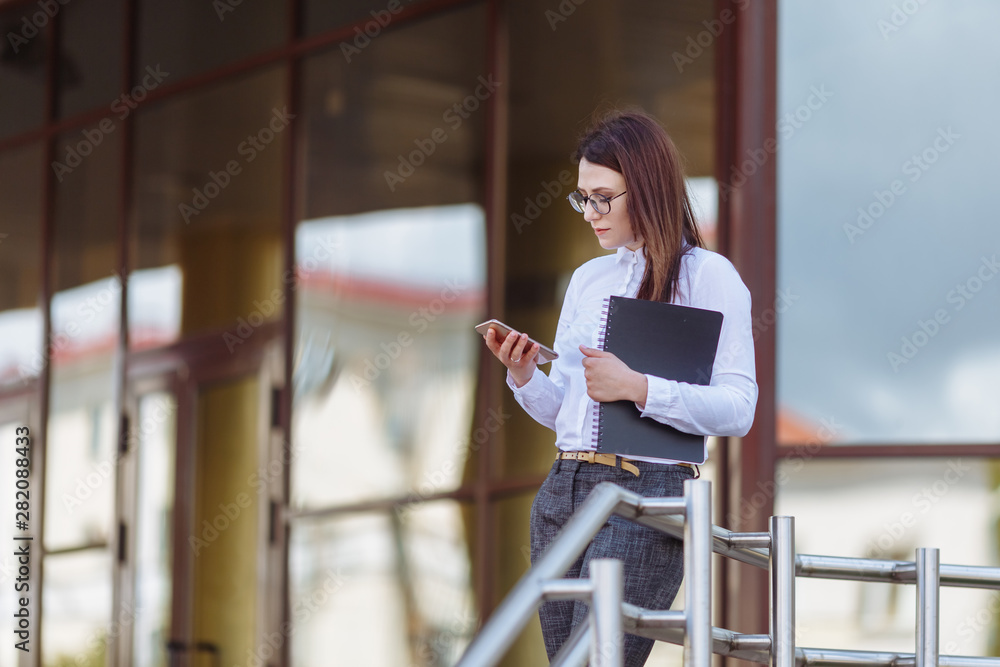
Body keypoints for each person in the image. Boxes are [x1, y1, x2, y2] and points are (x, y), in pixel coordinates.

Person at [482, 109, 758, 666]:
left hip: (645, 490)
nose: (590, 213)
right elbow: (568, 409)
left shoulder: (708, 276)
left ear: (648, 189)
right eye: (582, 198)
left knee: (596, 661)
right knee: (568, 661)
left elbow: (739, 409)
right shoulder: (588, 279)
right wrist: (523, 374)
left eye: (603, 197)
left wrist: (637, 387)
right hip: (565, 487)